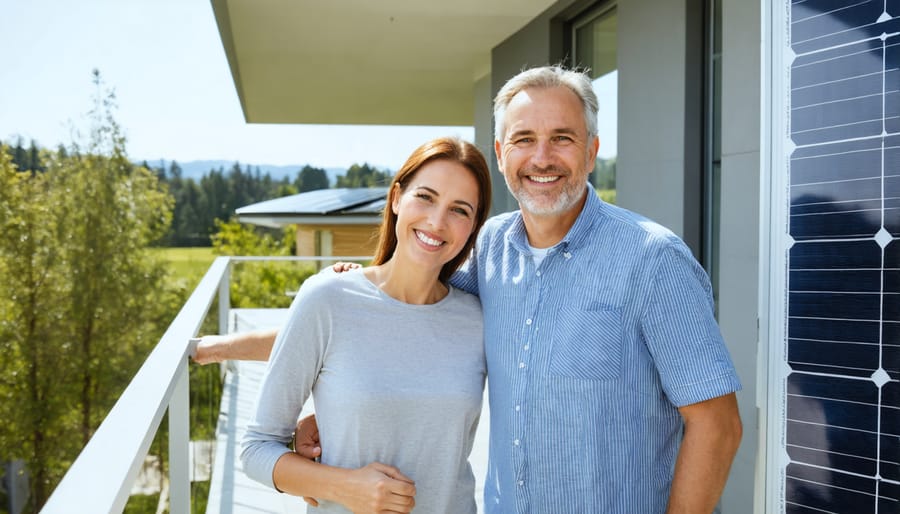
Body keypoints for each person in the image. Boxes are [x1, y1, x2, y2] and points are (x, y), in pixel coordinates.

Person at [197, 65, 743, 513]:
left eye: (563, 139)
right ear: (503, 153)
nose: (542, 158)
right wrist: (333, 398)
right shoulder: (491, 251)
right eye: (524, 139)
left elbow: (717, 427)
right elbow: (388, 318)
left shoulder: (653, 260)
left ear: (593, 150)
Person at [238, 137, 493, 514]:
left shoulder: (479, 318)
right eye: (425, 196)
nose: (437, 221)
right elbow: (256, 448)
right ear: (396, 198)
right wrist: (344, 487)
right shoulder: (328, 298)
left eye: (459, 210)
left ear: (473, 227)